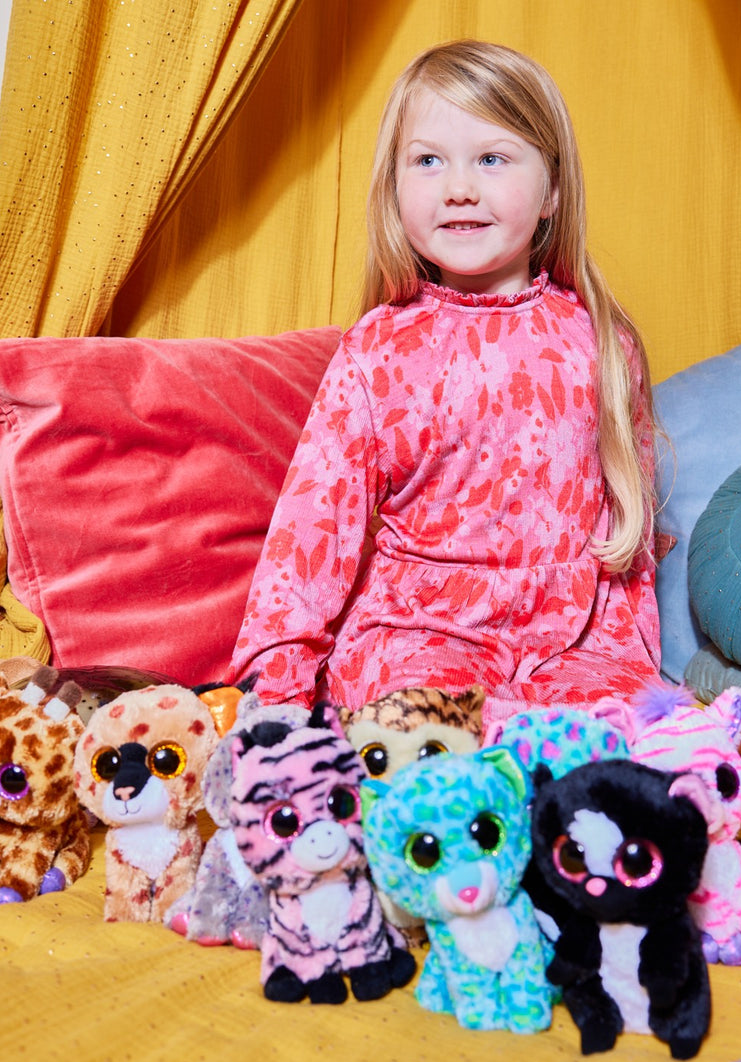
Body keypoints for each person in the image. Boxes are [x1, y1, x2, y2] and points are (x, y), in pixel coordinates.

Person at [230, 39, 662, 727]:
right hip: (417, 633)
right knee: (420, 726)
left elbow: (627, 542)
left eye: (492, 158)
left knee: (630, 739)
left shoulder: (604, 344)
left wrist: (625, 660)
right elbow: (312, 533)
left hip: (569, 647)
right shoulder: (376, 352)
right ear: (395, 187)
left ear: (551, 189)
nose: (459, 186)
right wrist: (276, 692)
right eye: (429, 160)